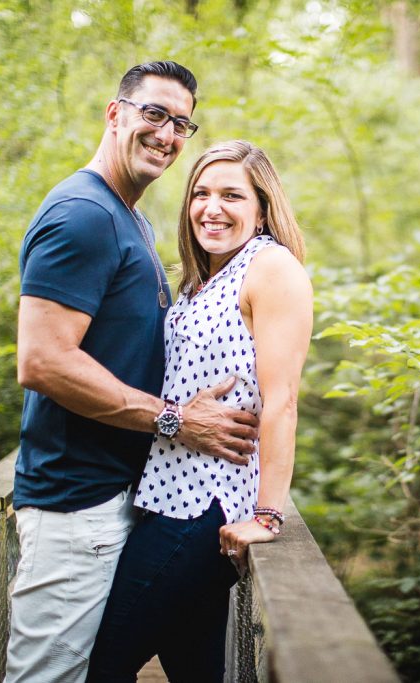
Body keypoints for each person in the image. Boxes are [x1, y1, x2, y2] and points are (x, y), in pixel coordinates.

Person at [8, 64, 260, 683]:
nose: (167, 133)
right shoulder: (83, 214)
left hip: (120, 498)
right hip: (75, 505)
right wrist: (177, 420)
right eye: (153, 113)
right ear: (114, 113)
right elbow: (43, 360)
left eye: (181, 122)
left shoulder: (130, 220)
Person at [85, 140, 314, 682]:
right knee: (195, 668)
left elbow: (281, 401)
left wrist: (267, 516)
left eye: (232, 195)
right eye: (201, 193)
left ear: (262, 207)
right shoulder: (199, 280)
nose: (212, 207)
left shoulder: (270, 269)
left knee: (103, 663)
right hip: (164, 495)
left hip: (206, 507)